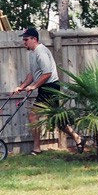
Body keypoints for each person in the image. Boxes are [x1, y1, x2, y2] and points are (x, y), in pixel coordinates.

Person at [14, 27, 86, 155]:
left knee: (33, 115)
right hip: (45, 87)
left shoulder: (41, 52)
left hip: (50, 87)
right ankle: (78, 138)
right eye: (23, 40)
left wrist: (34, 86)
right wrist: (23, 86)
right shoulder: (33, 53)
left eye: (26, 40)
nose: (24, 42)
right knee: (57, 119)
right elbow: (33, 74)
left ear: (34, 39)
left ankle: (37, 148)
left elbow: (47, 74)